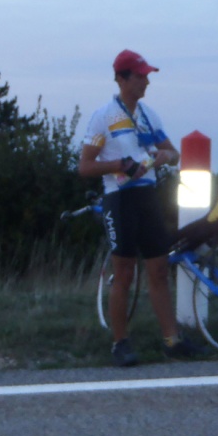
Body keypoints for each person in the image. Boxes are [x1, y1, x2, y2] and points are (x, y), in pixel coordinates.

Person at [79, 49, 200, 366]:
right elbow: (85, 166)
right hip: (119, 198)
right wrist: (120, 163)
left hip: (148, 196)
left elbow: (173, 153)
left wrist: (164, 158)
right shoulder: (104, 116)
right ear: (122, 78)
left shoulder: (149, 115)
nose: (147, 81)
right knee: (125, 273)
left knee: (159, 270)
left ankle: (172, 340)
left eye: (147, 75)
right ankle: (120, 343)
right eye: (141, 75)